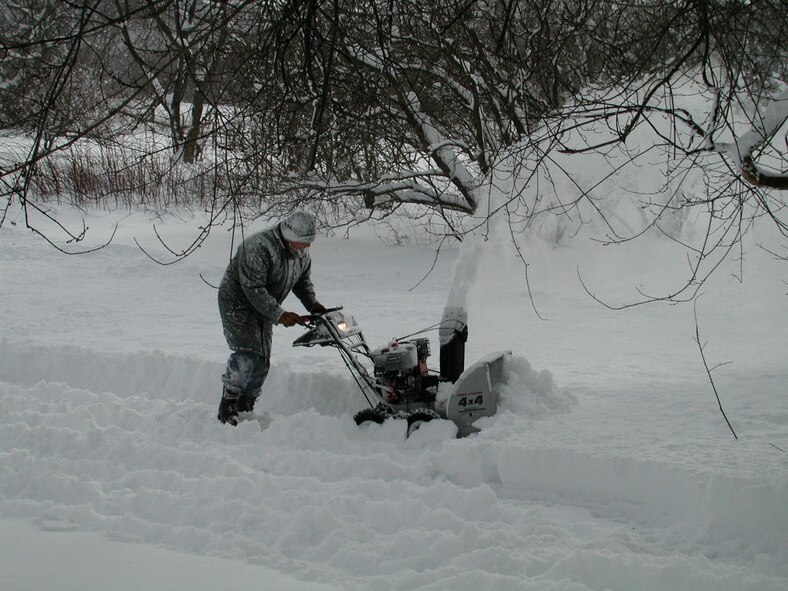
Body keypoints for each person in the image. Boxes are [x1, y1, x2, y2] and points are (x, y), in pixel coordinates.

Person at [216, 210, 327, 425]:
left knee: (262, 359)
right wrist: (280, 314)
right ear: (290, 235)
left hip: (266, 306)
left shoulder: (301, 254)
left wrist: (313, 305)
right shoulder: (258, 247)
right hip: (238, 304)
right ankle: (228, 405)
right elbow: (253, 288)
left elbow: (302, 282)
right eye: (304, 241)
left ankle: (246, 405)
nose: (308, 246)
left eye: (310, 242)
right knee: (248, 353)